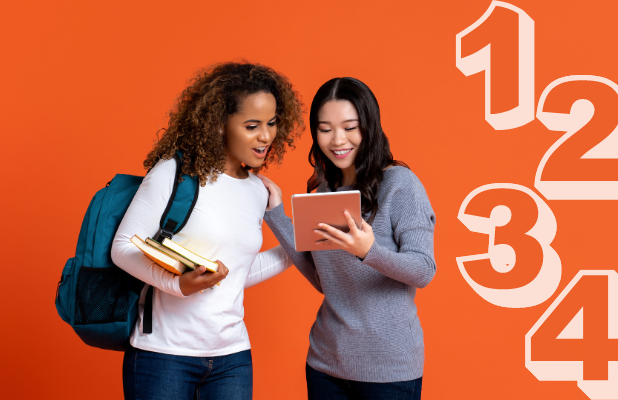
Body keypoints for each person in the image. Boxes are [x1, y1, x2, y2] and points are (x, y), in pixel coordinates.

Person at [110, 61, 305, 400]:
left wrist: (300, 235)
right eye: (252, 125)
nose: (266, 136)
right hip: (164, 355)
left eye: (272, 123)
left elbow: (236, 272)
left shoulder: (258, 192)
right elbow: (123, 246)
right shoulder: (175, 173)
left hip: (233, 357)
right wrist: (178, 284)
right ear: (220, 125)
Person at [260, 77, 436, 400]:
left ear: (369, 126)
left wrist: (369, 251)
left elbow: (424, 269)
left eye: (349, 127)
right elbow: (324, 279)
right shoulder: (327, 190)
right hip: (326, 363)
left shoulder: (400, 185)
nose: (337, 139)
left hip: (389, 369)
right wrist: (276, 213)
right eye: (325, 129)